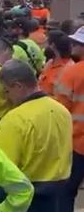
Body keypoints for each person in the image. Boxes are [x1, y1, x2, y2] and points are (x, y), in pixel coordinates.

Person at [0, 59, 72, 211]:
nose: (6, 97)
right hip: (59, 195)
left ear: (17, 86)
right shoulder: (62, 111)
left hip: (28, 198)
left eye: (6, 91)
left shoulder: (15, 119)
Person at [54, 26, 84, 212]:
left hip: (75, 142)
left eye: (78, 42)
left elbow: (60, 109)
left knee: (66, 191)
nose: (73, 44)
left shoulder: (71, 72)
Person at [39, 31, 73, 96]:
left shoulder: (67, 69)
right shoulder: (50, 63)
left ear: (52, 46)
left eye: (46, 42)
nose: (44, 45)